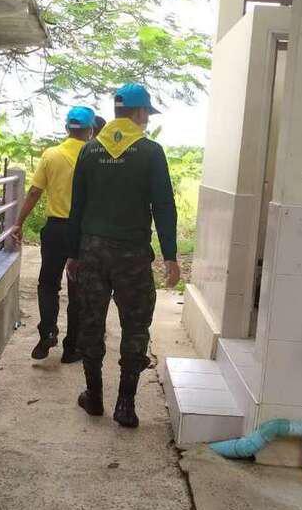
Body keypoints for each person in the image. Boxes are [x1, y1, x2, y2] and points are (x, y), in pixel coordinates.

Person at [67, 84, 179, 428]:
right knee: (135, 326)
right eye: (147, 114)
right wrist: (170, 255)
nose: (148, 119)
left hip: (92, 252)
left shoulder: (89, 151)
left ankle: (94, 397)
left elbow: (76, 207)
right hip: (132, 255)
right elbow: (163, 206)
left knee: (91, 322)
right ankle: (126, 405)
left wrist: (73, 254)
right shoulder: (151, 152)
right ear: (140, 112)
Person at [13, 106, 95, 363]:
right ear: (91, 130)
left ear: (66, 128)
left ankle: (48, 331)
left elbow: (34, 192)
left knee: (48, 284)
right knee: (78, 290)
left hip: (55, 230)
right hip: (83, 232)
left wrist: (18, 223)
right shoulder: (94, 157)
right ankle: (72, 349)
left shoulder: (52, 155)